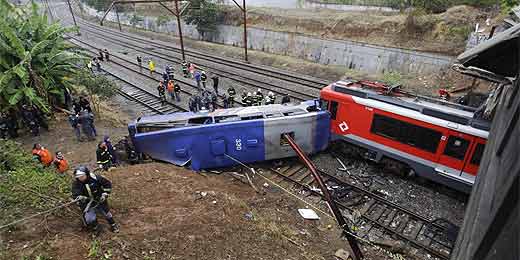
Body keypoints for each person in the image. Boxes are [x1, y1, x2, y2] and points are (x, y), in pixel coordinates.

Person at [71, 166, 119, 233]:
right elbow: (75, 193)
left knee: (106, 213)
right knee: (89, 219)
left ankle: (113, 225)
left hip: (99, 199)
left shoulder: (95, 178)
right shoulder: (76, 184)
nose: (80, 178)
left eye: (82, 176)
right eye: (78, 177)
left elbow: (107, 184)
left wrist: (105, 194)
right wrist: (80, 197)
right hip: (87, 203)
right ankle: (95, 228)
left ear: (87, 174)